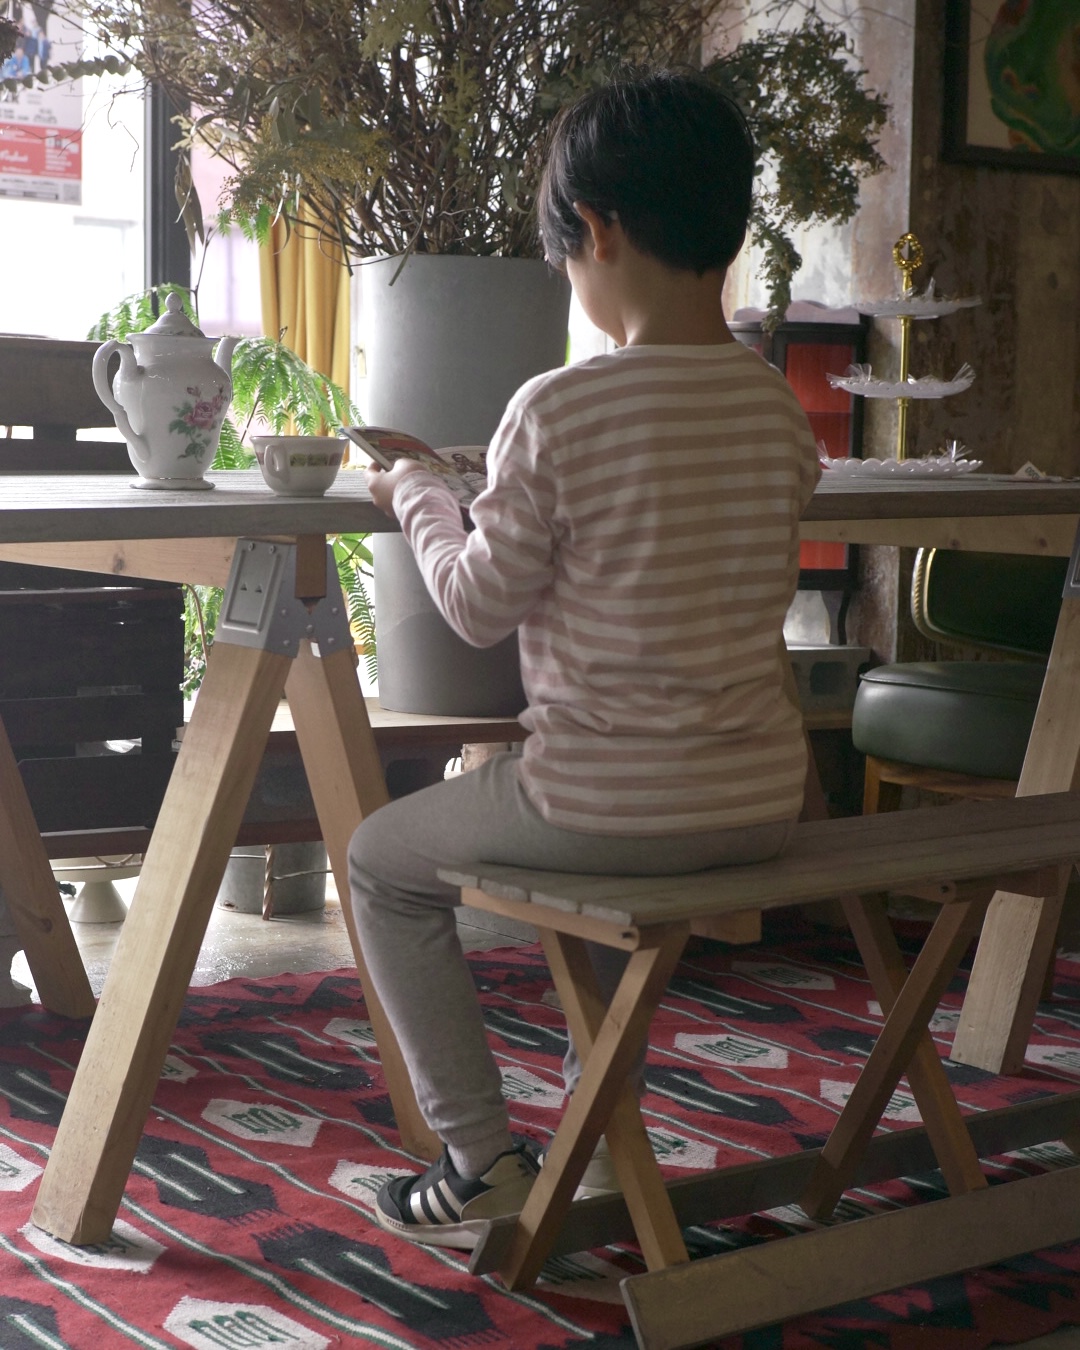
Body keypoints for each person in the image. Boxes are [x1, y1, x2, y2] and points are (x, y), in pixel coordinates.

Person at [350, 66, 821, 1251]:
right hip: (759, 803)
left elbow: (475, 605)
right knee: (606, 864)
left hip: (606, 803)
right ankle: (604, 1133)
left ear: (597, 232)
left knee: (380, 863)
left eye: (564, 257)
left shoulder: (557, 409)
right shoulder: (775, 409)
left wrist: (419, 493)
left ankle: (477, 1160)